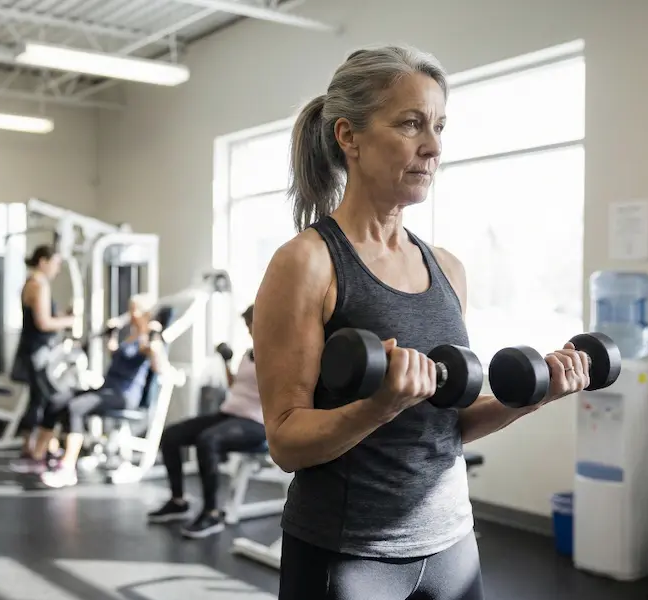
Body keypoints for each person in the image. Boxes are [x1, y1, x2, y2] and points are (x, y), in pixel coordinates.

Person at [252, 46, 591, 600]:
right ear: (349, 136)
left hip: (451, 544)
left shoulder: (448, 268)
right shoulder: (308, 262)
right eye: (411, 124)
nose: (433, 147)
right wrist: (379, 405)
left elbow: (449, 423)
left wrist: (535, 396)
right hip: (348, 556)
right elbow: (286, 441)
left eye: (439, 127)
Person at [147, 304, 265, 539]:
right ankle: (178, 501)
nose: (249, 330)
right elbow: (236, 385)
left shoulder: (278, 354)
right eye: (247, 325)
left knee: (207, 440)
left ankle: (211, 512)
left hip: (257, 423)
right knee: (172, 435)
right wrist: (226, 361)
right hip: (230, 413)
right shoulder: (248, 352)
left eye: (251, 324)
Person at [33, 293, 169, 488]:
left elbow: (158, 366)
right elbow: (116, 355)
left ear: (146, 314)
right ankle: (38, 456)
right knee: (58, 400)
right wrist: (112, 333)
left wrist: (154, 341)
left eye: (135, 310)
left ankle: (67, 469)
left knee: (76, 407)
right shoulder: (131, 335)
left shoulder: (147, 338)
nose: (131, 314)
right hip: (107, 389)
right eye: (130, 309)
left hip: (124, 395)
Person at [9, 244, 75, 474]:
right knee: (52, 399)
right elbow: (44, 323)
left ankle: (31, 447)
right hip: (38, 352)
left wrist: (62, 316)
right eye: (55, 263)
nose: (57, 269)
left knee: (37, 399)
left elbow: (42, 317)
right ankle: (39, 450)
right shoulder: (39, 285)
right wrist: (71, 321)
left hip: (31, 349)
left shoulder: (31, 283)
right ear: (43, 261)